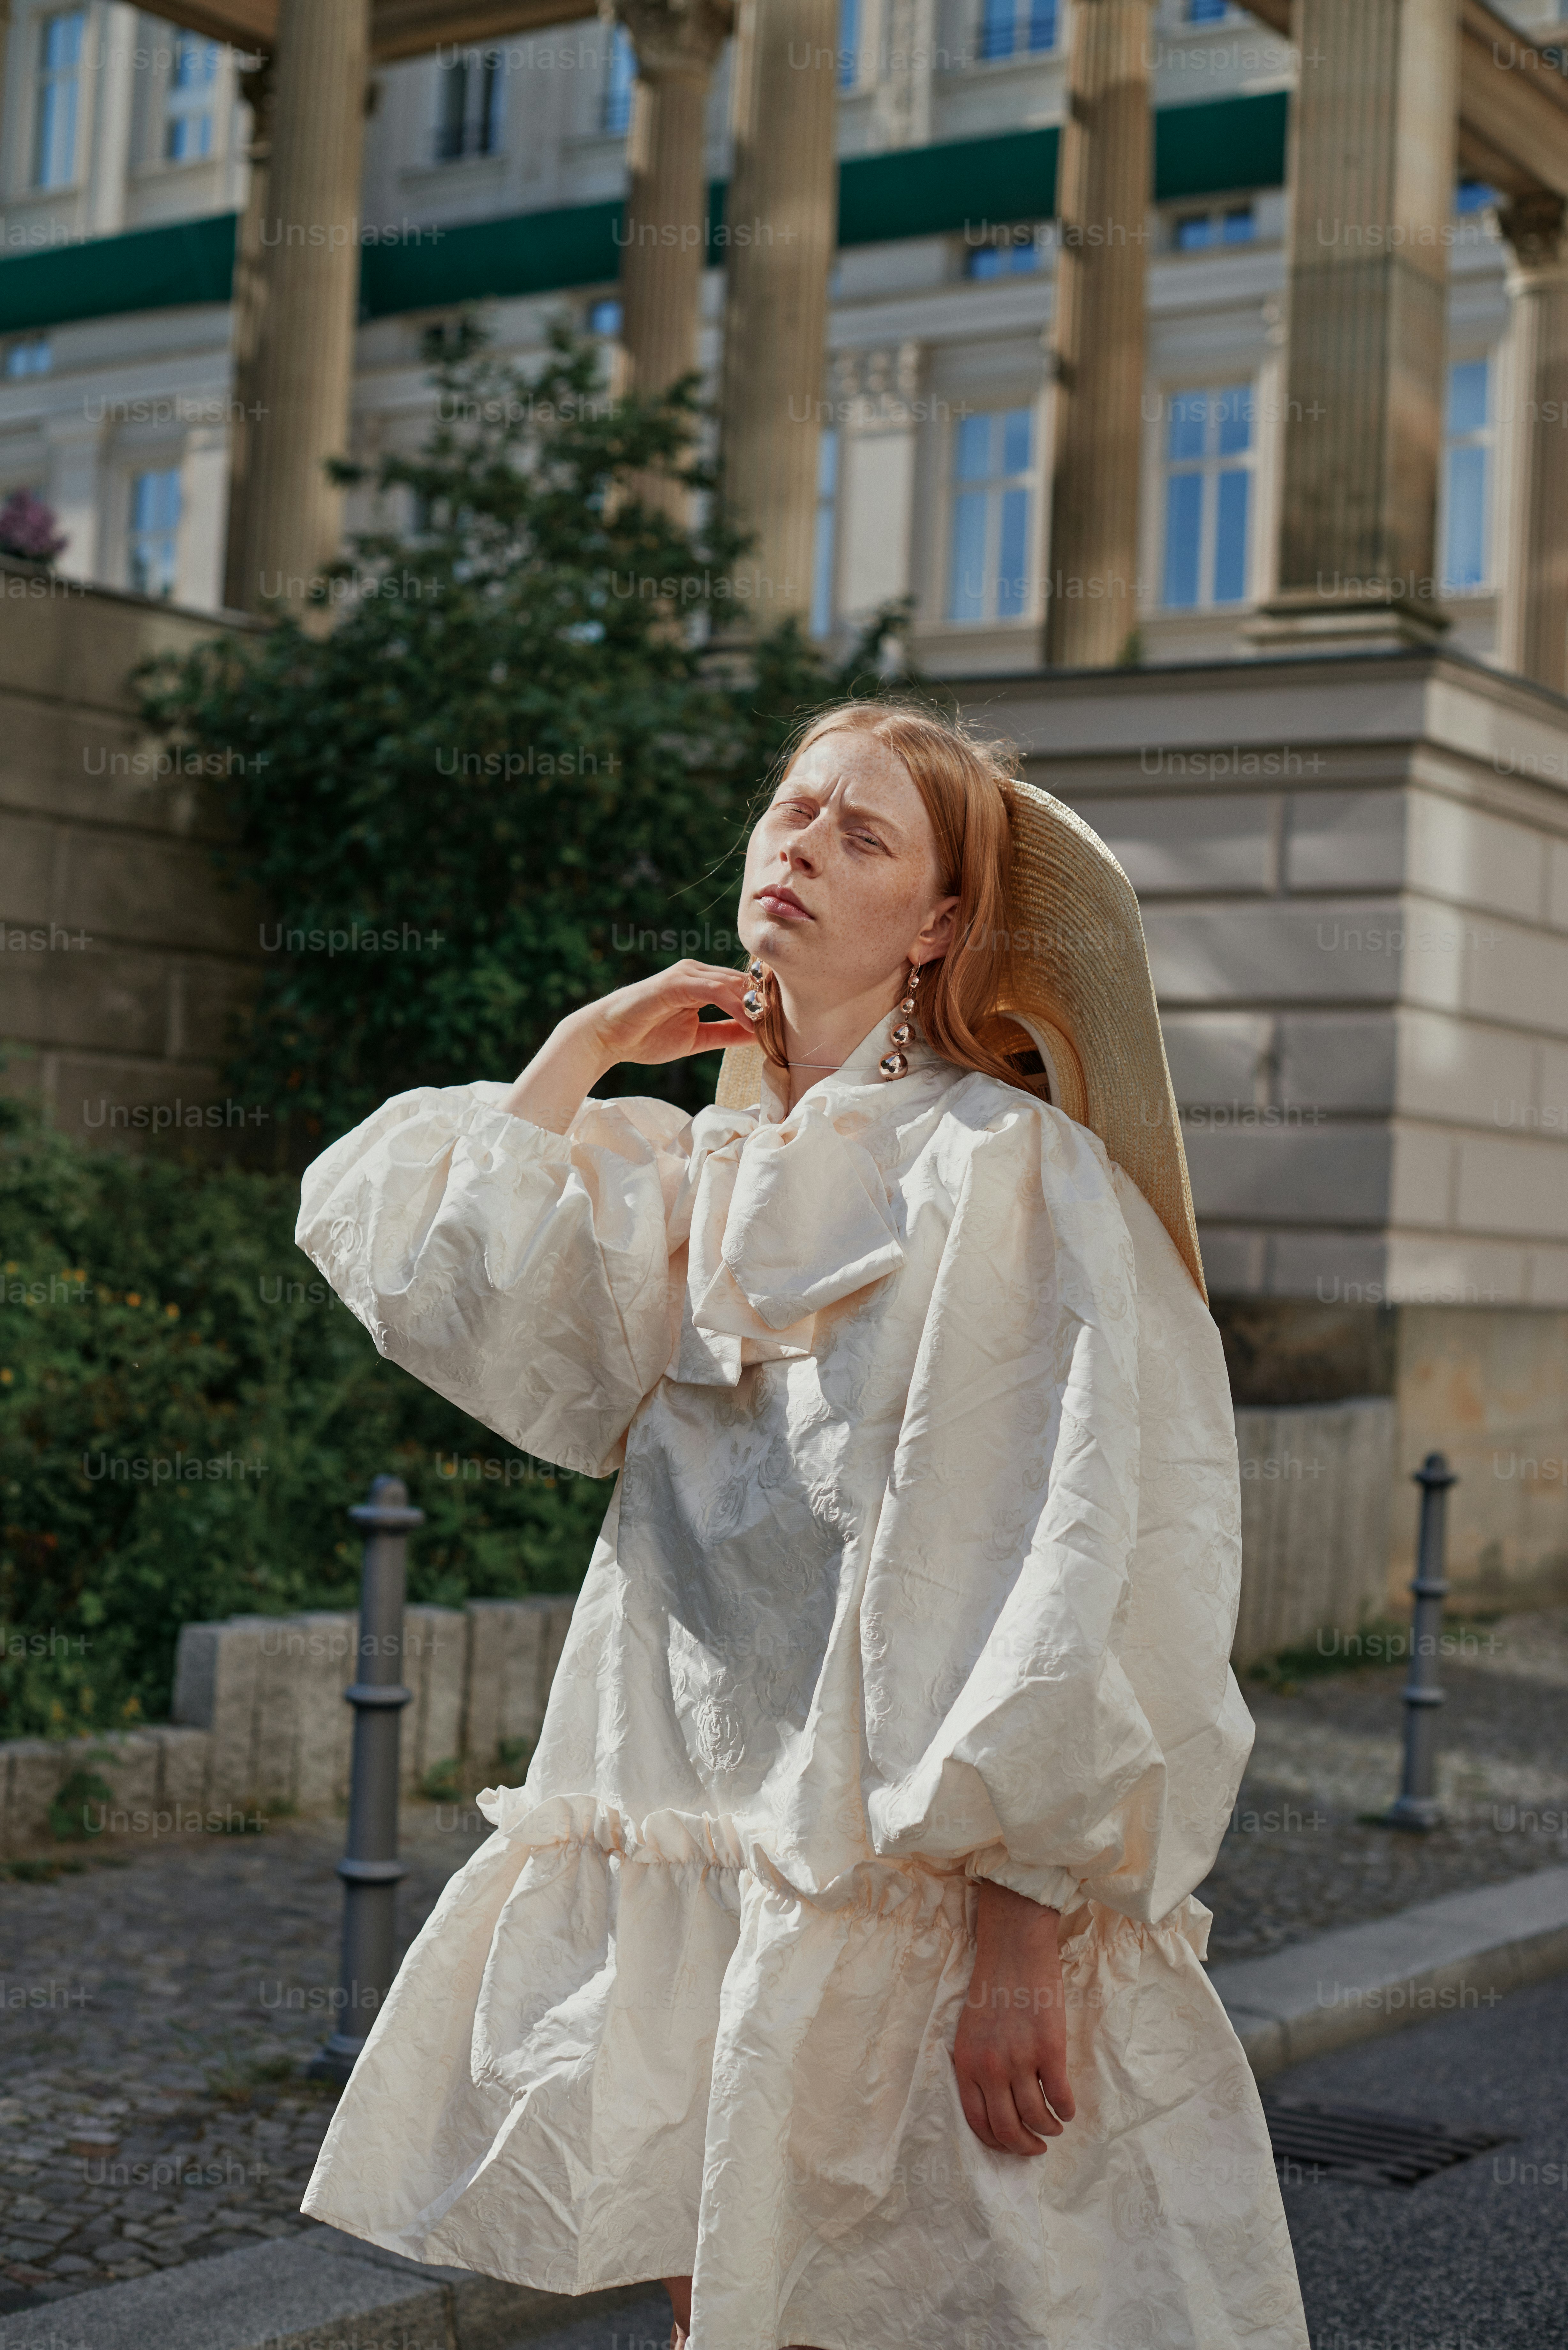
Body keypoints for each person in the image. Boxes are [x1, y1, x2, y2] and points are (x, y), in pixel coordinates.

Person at [295, 701, 1309, 2350]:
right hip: (703, 1868)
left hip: (904, 1906)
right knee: (719, 2311)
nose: (803, 845)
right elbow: (436, 1261)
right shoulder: (711, 1172)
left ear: (940, 925)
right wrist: (587, 1044)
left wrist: (1018, 1936)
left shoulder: (1005, 1175)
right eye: (792, 810)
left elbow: (1068, 1553)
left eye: (863, 832)